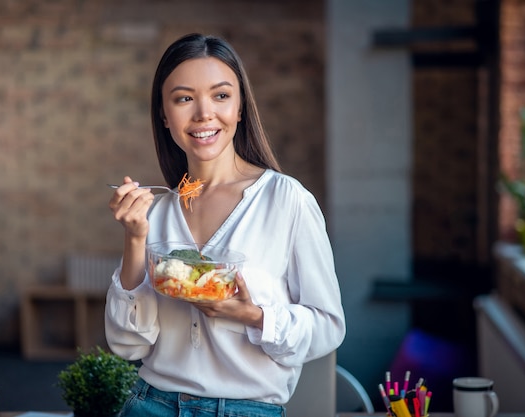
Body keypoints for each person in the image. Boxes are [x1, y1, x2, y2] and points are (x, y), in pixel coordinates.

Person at [105, 32, 346, 417]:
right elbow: (129, 346)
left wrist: (253, 316)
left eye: (220, 95)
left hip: (246, 409)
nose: (203, 114)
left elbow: (328, 327)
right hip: (151, 404)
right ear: (165, 116)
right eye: (184, 98)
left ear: (240, 108)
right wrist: (136, 238)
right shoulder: (157, 211)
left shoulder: (286, 200)